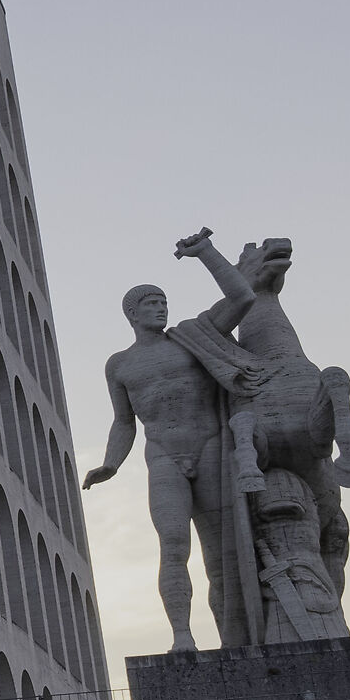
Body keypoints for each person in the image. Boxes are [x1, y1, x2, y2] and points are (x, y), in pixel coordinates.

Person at [82, 229, 259, 649]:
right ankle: (182, 634)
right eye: (151, 303)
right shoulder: (120, 364)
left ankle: (234, 641)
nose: (161, 308)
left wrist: (206, 253)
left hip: (212, 446)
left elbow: (242, 298)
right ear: (132, 314)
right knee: (174, 544)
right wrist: (111, 463)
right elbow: (124, 421)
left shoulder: (190, 337)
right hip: (162, 456)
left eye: (163, 302)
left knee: (222, 557)